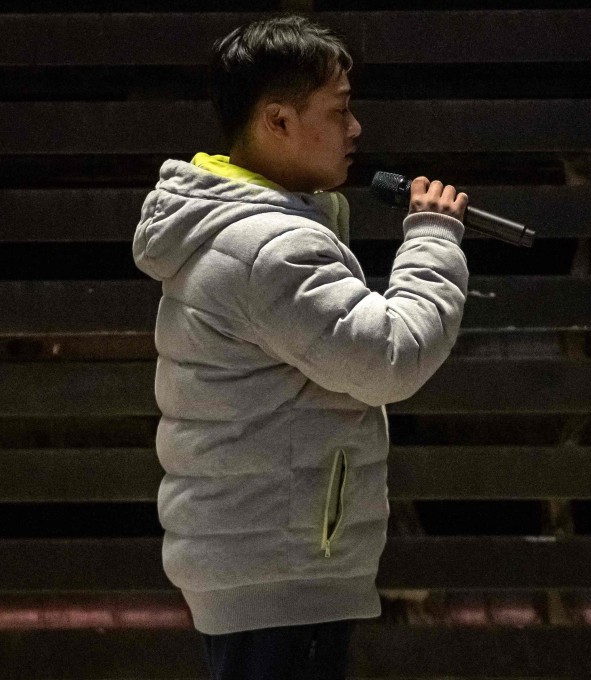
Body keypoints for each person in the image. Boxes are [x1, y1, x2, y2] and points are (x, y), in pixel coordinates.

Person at [132, 13, 469, 680]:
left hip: (259, 564)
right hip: (279, 571)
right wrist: (432, 239)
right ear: (279, 122)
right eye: (339, 110)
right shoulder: (270, 248)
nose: (355, 129)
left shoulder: (236, 229)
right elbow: (389, 359)